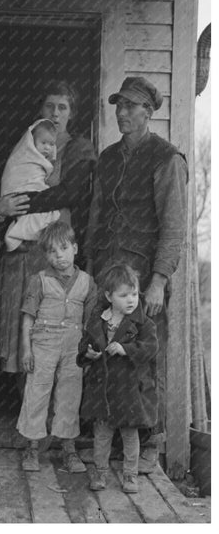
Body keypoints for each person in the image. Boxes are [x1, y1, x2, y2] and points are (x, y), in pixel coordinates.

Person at [84, 76, 188, 472]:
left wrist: (159, 280)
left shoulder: (166, 159)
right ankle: (111, 442)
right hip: (108, 277)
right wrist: (91, 270)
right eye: (118, 105)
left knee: (144, 359)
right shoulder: (108, 158)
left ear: (149, 111)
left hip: (144, 280)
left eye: (131, 106)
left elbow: (174, 226)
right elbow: (96, 216)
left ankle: (149, 442)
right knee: (106, 354)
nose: (122, 113)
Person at [0, 80, 97, 377]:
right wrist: (0, 206)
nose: (55, 112)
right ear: (41, 109)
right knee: (19, 326)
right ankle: (24, 413)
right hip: (22, 252)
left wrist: (18, 201)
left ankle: (48, 415)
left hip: (53, 248)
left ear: (72, 112)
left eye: (62, 107)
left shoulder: (79, 147)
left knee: (48, 323)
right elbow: (13, 180)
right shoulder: (28, 143)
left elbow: (71, 193)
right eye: (49, 106)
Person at [16, 221, 97, 473]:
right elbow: (27, 317)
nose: (58, 255)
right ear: (45, 255)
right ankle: (31, 448)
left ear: (74, 248)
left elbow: (91, 322)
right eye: (51, 251)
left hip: (73, 347)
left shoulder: (87, 282)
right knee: (37, 392)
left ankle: (68, 450)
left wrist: (90, 349)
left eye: (63, 248)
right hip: (43, 344)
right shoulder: (38, 280)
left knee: (70, 395)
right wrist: (26, 350)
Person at [77, 263, 158, 494]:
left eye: (134, 294)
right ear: (108, 296)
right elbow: (82, 349)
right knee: (102, 435)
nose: (131, 300)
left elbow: (150, 349)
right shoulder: (97, 321)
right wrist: (88, 353)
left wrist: (126, 349)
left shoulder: (144, 325)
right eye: (124, 295)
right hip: (103, 391)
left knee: (130, 435)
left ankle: (130, 475)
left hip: (129, 391)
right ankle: (100, 472)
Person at [0, 118, 62, 252]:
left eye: (51, 144)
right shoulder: (23, 158)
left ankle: (16, 237)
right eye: (43, 142)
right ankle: (13, 236)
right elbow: (18, 176)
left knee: (48, 213)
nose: (47, 147)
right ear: (31, 141)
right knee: (41, 215)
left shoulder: (41, 160)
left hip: (33, 192)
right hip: (20, 191)